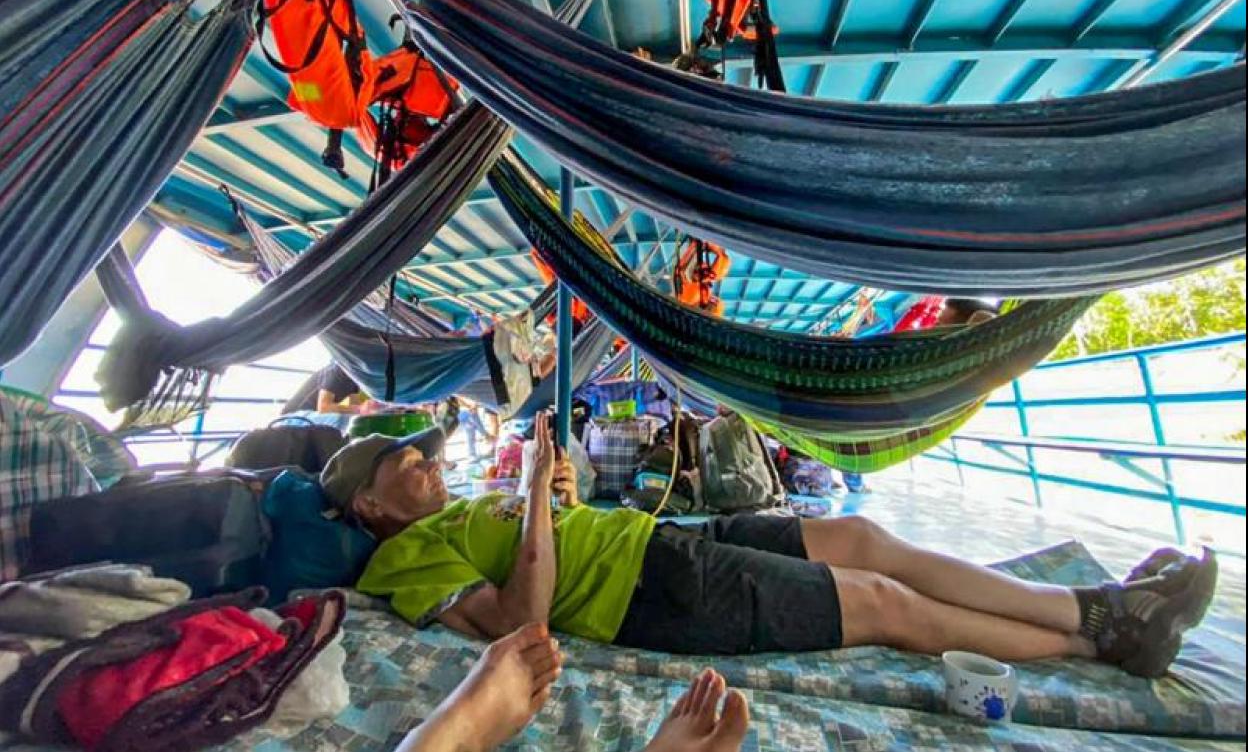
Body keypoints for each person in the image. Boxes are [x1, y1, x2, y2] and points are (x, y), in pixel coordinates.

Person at [321, 415, 1218, 680]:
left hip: (660, 538)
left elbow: (553, 531)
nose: (427, 465)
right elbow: (524, 620)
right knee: (883, 604)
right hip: (649, 595)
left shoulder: (459, 509)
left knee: (860, 535)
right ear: (367, 502)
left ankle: (1090, 607)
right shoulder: (404, 562)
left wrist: (562, 496)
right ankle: (1103, 639)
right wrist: (532, 506)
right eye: (407, 464)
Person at [394, 624, 749, 752]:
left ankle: (451, 733)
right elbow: (524, 612)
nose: (431, 477)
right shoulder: (411, 550)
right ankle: (463, 729)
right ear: (370, 503)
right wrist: (536, 491)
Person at [282, 363, 367, 415]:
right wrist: (361, 409)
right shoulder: (337, 370)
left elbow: (355, 405)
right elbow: (324, 408)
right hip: (293, 417)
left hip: (314, 417)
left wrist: (368, 408)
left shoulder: (357, 379)